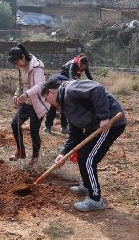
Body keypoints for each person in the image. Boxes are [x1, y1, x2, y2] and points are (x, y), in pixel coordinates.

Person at [41, 77, 127, 212]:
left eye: (46, 99)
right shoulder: (65, 106)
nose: (49, 103)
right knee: (81, 154)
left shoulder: (70, 89)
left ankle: (95, 199)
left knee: (88, 158)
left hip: (109, 123)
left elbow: (97, 89)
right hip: (95, 126)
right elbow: (75, 133)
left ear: (50, 92)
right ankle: (88, 186)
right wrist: (62, 153)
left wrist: (104, 117)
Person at [8, 44, 50, 166]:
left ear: (23, 57)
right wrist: (17, 94)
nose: (17, 66)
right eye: (15, 64)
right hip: (27, 102)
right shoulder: (21, 66)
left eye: (18, 62)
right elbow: (21, 83)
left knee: (34, 131)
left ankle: (35, 157)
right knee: (15, 124)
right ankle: (20, 151)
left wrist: (26, 94)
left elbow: (40, 86)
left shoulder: (37, 67)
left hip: (38, 103)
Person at [44, 54, 93, 135]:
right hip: (59, 84)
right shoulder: (73, 64)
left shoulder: (85, 65)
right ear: (79, 64)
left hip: (69, 85)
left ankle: (64, 127)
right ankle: (48, 127)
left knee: (65, 106)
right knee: (54, 105)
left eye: (83, 68)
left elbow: (89, 76)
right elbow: (71, 77)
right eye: (81, 68)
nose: (82, 69)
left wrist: (92, 83)